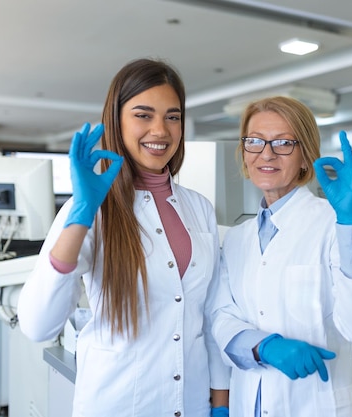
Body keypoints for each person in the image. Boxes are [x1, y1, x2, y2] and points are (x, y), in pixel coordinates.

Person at [17, 58, 230, 417]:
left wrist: (220, 404)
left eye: (172, 116)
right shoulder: (91, 209)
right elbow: (39, 324)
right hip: (118, 404)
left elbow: (208, 316)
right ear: (116, 121)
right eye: (143, 115)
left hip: (192, 404)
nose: (160, 130)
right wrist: (82, 214)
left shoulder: (200, 208)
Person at [210, 96, 352, 416]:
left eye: (283, 142)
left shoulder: (333, 224)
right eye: (255, 142)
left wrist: (350, 221)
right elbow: (221, 316)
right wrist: (263, 346)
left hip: (320, 404)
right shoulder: (236, 238)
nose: (267, 153)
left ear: (306, 156)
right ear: (244, 153)